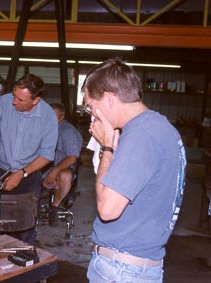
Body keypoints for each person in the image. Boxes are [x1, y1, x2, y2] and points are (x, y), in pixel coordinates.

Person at [81, 58, 186, 283]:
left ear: (109, 99)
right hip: (137, 265)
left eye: (90, 105)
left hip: (121, 271)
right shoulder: (160, 128)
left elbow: (108, 209)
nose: (91, 114)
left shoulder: (141, 135)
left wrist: (107, 147)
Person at [0, 74, 58, 245]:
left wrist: (22, 173)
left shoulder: (48, 117)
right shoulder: (3, 103)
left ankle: (24, 260)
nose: (14, 102)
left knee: (24, 225)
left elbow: (47, 155)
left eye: (20, 100)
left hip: (28, 174)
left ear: (35, 101)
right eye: (14, 95)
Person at [42, 103, 82, 227]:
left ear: (61, 118)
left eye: (53, 117)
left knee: (65, 175)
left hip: (62, 166)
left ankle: (55, 206)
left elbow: (72, 158)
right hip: (42, 165)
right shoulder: (44, 129)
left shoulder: (68, 132)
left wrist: (54, 171)